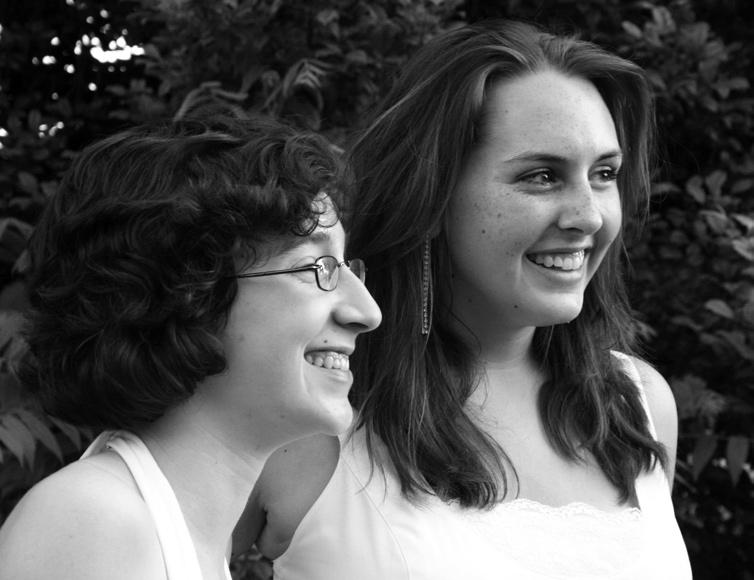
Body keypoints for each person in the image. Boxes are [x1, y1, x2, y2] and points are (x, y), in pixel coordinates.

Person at [233, 19, 692, 580]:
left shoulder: (639, 405)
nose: (589, 216)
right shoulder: (309, 413)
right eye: (542, 176)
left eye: (604, 173)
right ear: (431, 192)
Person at [0, 114, 381, 580]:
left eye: (346, 267)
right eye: (315, 267)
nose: (368, 312)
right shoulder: (98, 521)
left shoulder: (178, 540)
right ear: (185, 292)